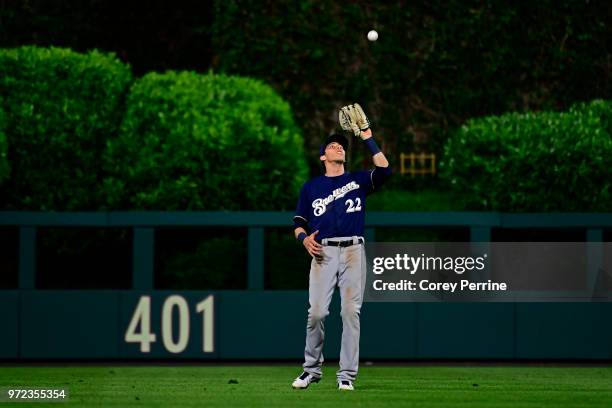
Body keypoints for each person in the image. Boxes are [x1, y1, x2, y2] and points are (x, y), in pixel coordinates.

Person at [291, 127, 392, 391]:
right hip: (322, 252)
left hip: (352, 252)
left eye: (341, 146)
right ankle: (311, 370)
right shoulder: (311, 187)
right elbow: (299, 223)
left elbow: (385, 170)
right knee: (316, 313)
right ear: (323, 157)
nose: (338, 147)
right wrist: (304, 240)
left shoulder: (358, 180)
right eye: (332, 145)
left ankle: (346, 375)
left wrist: (368, 137)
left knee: (350, 312)